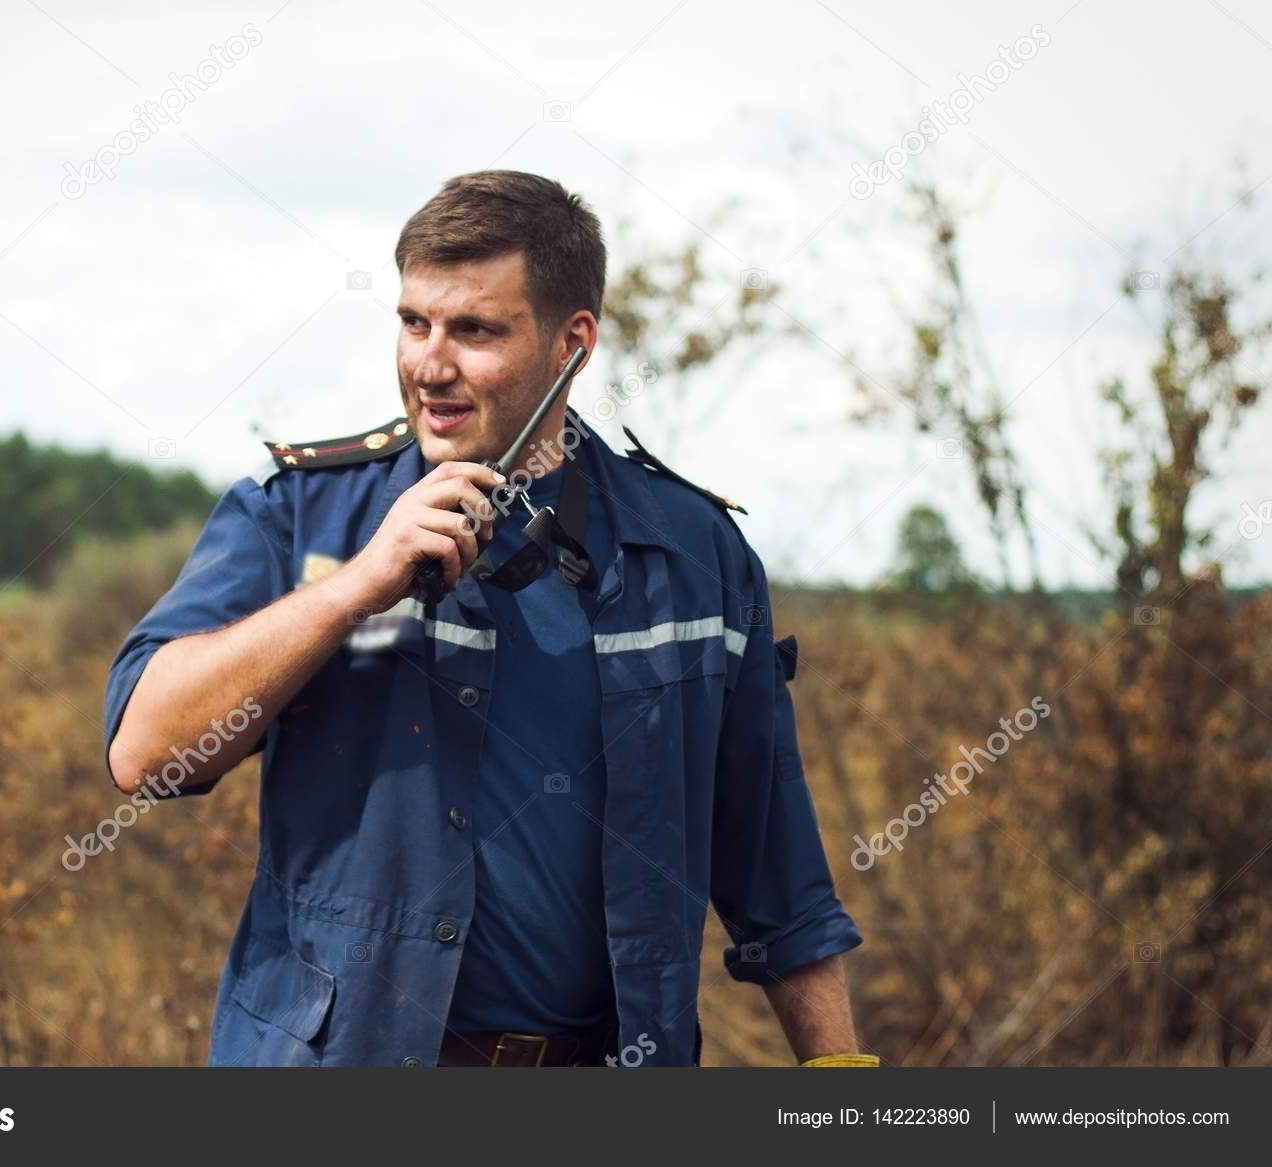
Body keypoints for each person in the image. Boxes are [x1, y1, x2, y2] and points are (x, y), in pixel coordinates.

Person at [103, 170, 872, 1068]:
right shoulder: (300, 520)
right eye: (413, 322)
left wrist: (839, 1082)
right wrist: (357, 586)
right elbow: (144, 753)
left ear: (571, 343)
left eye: (474, 330)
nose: (430, 363)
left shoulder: (697, 556)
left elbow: (777, 876)